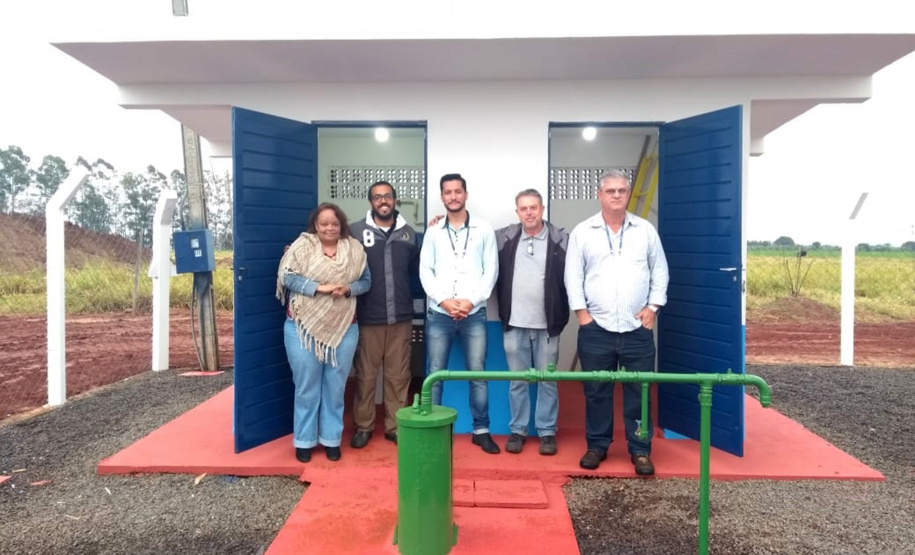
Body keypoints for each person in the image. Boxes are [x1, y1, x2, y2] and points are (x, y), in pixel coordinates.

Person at [564, 169, 669, 475]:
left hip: (637, 328)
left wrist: (653, 307)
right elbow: (573, 275)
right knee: (597, 390)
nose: (617, 196)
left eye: (622, 190)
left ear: (628, 194)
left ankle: (640, 449)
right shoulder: (583, 232)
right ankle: (597, 445)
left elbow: (660, 271)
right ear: (600, 195)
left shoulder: (645, 230)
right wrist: (582, 315)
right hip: (596, 328)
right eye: (610, 191)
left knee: (640, 391)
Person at [276, 203, 371, 463]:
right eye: (324, 223)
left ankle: (331, 440)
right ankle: (304, 441)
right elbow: (288, 277)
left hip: (344, 329)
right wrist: (320, 287)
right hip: (302, 328)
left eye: (334, 223)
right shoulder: (301, 247)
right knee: (306, 388)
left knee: (335, 388)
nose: (330, 228)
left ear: (341, 225)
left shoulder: (354, 249)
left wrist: (348, 289)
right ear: (315, 226)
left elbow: (366, 282)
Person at [419, 173, 500, 454]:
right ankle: (433, 431)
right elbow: (425, 271)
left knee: (477, 373)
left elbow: (491, 269)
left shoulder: (483, 228)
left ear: (465, 194)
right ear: (442, 196)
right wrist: (443, 301)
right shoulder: (433, 231)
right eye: (447, 192)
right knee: (435, 374)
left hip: (473, 313)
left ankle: (481, 431)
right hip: (439, 314)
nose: (453, 197)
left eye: (457, 191)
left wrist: (470, 301)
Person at [494, 189, 569, 456]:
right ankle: (518, 430)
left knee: (548, 380)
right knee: (518, 381)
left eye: (533, 207)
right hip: (515, 324)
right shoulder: (503, 237)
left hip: (548, 325)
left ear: (542, 209)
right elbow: (474, 239)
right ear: (517, 212)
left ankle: (547, 432)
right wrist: (438, 220)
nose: (529, 213)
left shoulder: (562, 239)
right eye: (523, 208)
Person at [349, 181, 419, 448]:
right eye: (377, 197)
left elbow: (413, 272)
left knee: (398, 376)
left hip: (400, 317)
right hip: (368, 317)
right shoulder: (355, 232)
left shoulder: (408, 233)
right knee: (366, 376)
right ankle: (363, 426)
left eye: (387, 196)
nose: (383, 201)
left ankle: (395, 426)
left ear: (394, 200)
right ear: (371, 202)